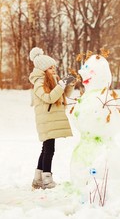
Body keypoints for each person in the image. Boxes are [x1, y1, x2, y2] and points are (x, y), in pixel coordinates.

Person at [28, 47, 75, 190]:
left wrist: (69, 84)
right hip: (46, 119)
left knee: (46, 149)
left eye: (54, 66)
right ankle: (47, 179)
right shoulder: (38, 82)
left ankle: (38, 179)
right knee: (49, 149)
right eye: (50, 67)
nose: (54, 69)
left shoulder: (52, 80)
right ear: (43, 69)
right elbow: (49, 98)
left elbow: (63, 95)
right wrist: (60, 86)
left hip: (51, 119)